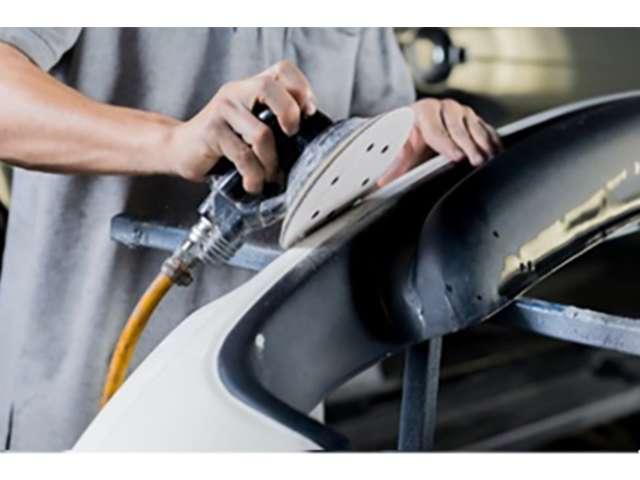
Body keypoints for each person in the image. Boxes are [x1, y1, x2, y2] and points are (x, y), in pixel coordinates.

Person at [0, 27, 501, 451]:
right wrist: (171, 141)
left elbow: (374, 158)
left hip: (270, 409)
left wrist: (415, 143)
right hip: (87, 406)